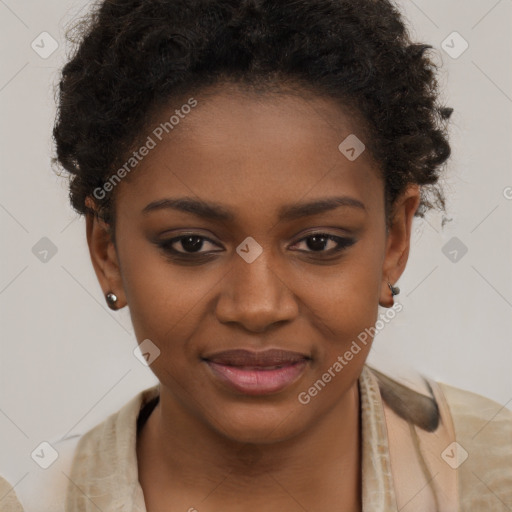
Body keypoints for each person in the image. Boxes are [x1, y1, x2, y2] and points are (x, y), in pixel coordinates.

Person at [12, 0, 512, 511]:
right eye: (191, 244)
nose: (257, 307)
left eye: (319, 242)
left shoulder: (494, 477)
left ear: (395, 241)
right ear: (107, 251)